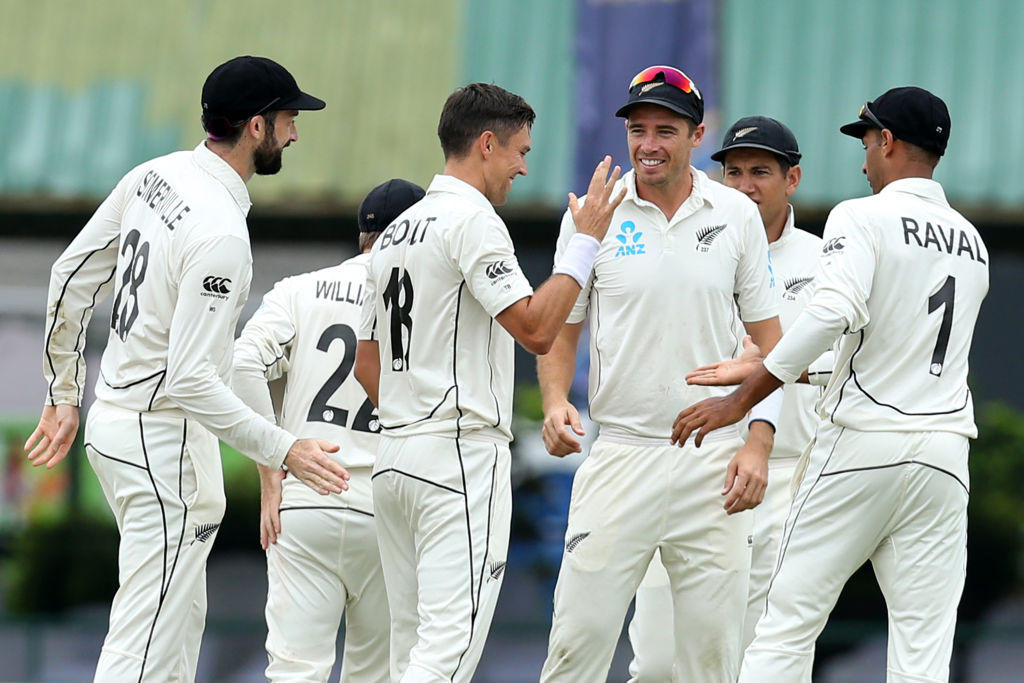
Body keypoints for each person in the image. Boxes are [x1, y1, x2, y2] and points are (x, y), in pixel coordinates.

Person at [24, 56, 347, 683]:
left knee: (173, 638)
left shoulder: (156, 174)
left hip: (116, 427)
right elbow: (191, 380)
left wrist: (64, 391)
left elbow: (68, 275)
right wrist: (286, 450)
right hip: (158, 443)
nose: (295, 133)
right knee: (144, 645)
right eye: (287, 119)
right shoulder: (221, 231)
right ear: (256, 127)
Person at [672, 86, 989, 682]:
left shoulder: (860, 215)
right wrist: (782, 370)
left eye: (867, 141)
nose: (864, 158)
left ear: (887, 141)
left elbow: (830, 314)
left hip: (862, 444)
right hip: (945, 455)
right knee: (924, 650)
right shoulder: (973, 241)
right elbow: (897, 349)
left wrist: (743, 396)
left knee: (785, 624)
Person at [353, 83, 626, 683]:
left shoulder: (397, 230)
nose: (524, 167)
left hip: (395, 456)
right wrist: (584, 245)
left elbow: (365, 363)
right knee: (448, 649)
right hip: (456, 455)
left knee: (409, 648)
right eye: (520, 151)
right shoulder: (472, 221)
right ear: (485, 144)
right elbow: (535, 329)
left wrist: (412, 414)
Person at [537, 66, 784, 683]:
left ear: (697, 135)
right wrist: (552, 402)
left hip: (712, 460)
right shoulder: (593, 215)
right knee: (576, 646)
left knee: (709, 661)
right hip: (619, 453)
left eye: (665, 130)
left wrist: (757, 442)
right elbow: (560, 327)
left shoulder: (735, 214)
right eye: (638, 129)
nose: (648, 144)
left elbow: (774, 347)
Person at [625, 116, 833, 680]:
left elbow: (796, 362)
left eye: (760, 172)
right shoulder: (692, 241)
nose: (744, 185)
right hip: (689, 468)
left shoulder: (824, 261)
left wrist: (762, 441)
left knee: (763, 660)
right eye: (733, 171)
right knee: (658, 664)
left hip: (787, 476)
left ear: (792, 180)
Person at [232, 179, 426, 681]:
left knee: (296, 669)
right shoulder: (428, 302)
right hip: (389, 504)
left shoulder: (298, 290)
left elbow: (241, 366)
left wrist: (273, 461)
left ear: (364, 236)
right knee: (377, 672)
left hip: (307, 496)